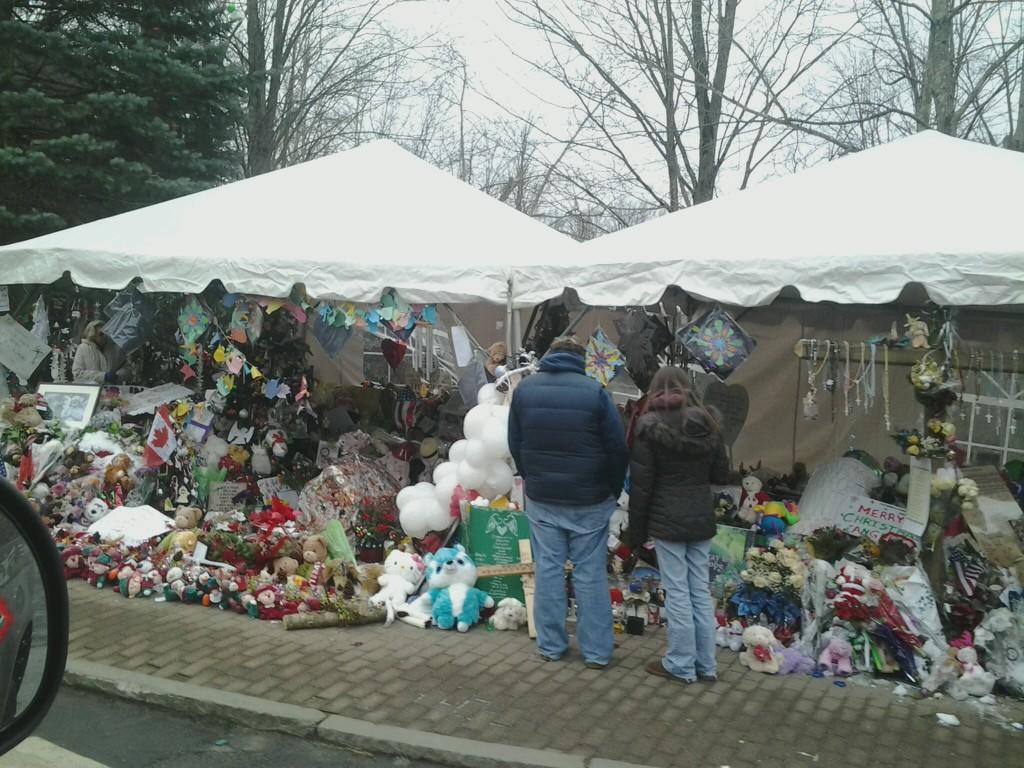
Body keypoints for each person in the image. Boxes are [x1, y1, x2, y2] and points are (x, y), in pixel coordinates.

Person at [508, 336, 628, 669]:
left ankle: (550, 646)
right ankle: (597, 652)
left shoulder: (525, 390)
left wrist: (530, 475)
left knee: (547, 570)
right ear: (582, 360)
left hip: (544, 497)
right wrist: (612, 489)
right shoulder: (595, 392)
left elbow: (514, 441)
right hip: (590, 498)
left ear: (549, 356)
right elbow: (617, 448)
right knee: (590, 574)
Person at [628, 366, 731, 683]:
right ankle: (706, 665)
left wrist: (635, 531)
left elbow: (642, 486)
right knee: (699, 590)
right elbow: (721, 476)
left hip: (666, 518)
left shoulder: (648, 427)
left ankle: (681, 664)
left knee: (677, 592)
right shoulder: (710, 423)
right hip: (700, 517)